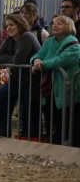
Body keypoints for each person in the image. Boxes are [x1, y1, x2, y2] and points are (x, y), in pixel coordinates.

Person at [30, 14, 80, 145]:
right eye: (53, 23)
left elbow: (61, 60)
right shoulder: (50, 41)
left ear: (68, 26)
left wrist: (41, 64)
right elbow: (39, 54)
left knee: (69, 123)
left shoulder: (73, 43)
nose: (54, 25)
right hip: (50, 88)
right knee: (52, 120)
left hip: (68, 89)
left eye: (59, 23)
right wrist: (35, 60)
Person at [0, 13, 41, 139]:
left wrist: (11, 59)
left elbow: (18, 60)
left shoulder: (27, 36)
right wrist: (12, 59)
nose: (8, 28)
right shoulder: (9, 39)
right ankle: (3, 129)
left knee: (29, 111)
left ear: (19, 25)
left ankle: (31, 138)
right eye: (7, 26)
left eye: (12, 25)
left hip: (32, 80)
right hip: (17, 78)